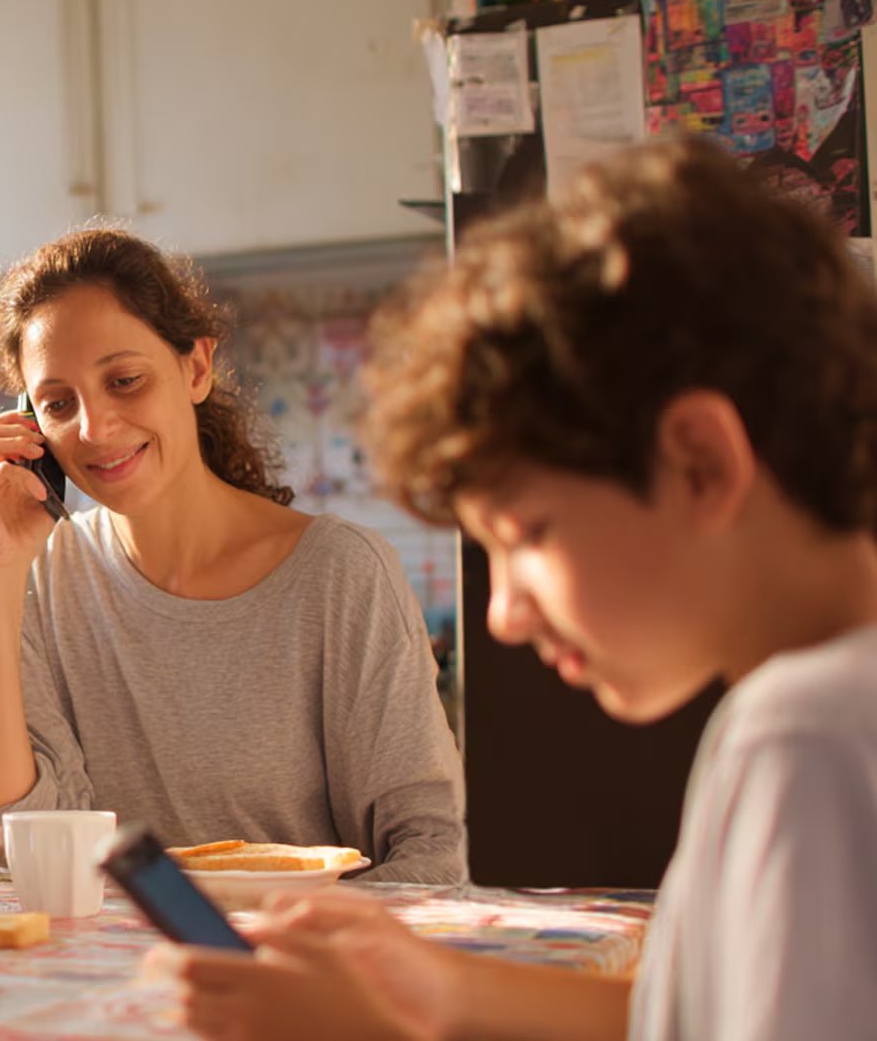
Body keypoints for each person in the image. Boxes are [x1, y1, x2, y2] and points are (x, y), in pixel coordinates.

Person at [152, 137, 877, 1040]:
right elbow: (684, 1022)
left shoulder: (813, 736)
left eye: (528, 534)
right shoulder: (809, 703)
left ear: (699, 463)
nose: (504, 614)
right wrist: (442, 993)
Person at [0, 228, 466, 884]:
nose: (94, 428)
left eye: (125, 381)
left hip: (293, 971)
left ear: (195, 368)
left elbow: (432, 850)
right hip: (105, 976)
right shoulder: (38, 573)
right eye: (57, 403)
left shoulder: (341, 573)